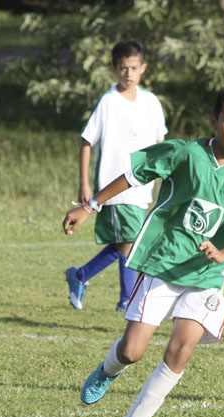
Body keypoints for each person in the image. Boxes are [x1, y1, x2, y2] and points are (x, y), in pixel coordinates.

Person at [62, 85, 224, 417]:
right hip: (163, 262)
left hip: (207, 274)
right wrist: (90, 205)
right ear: (214, 121)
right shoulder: (186, 152)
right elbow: (134, 174)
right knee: (132, 351)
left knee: (180, 350)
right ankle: (109, 369)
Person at [65, 40, 168, 312]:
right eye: (123, 68)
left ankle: (80, 275)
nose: (129, 73)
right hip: (115, 187)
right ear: (114, 69)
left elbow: (160, 143)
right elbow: (87, 141)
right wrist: (84, 183)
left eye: (134, 68)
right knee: (130, 240)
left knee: (125, 242)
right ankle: (125, 300)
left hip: (142, 186)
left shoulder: (151, 102)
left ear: (143, 68)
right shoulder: (108, 102)